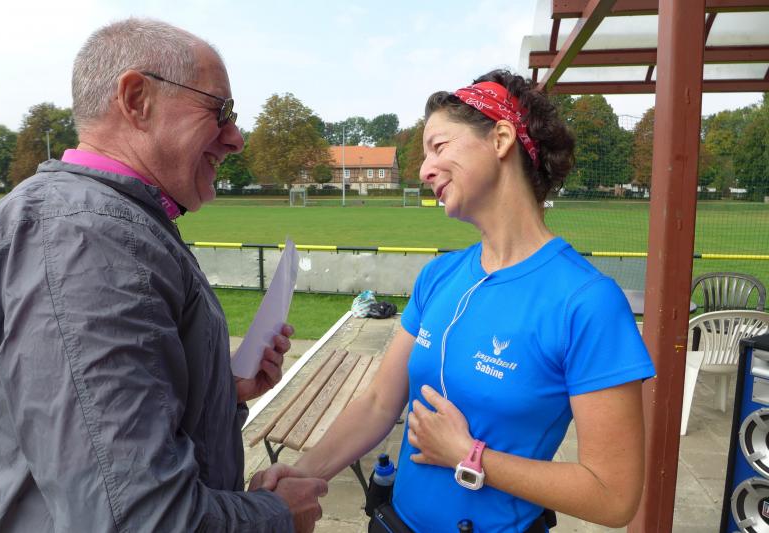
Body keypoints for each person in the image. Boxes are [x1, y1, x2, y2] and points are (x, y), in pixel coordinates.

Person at [254, 70, 656, 532]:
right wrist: (301, 474)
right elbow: (380, 402)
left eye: (439, 146)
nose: (424, 170)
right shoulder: (439, 275)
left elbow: (613, 496)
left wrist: (469, 455)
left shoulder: (587, 302)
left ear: (501, 139)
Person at [0, 18, 326, 532]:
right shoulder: (84, 238)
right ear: (137, 99)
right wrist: (278, 515)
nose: (236, 138)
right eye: (220, 111)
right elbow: (138, 518)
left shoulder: (105, 223)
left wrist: (218, 389)